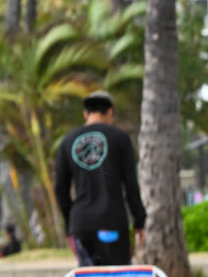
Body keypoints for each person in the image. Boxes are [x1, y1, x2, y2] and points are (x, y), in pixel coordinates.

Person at [53, 91, 146, 265]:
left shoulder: (67, 141)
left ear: (85, 113)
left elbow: (60, 188)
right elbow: (131, 184)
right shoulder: (120, 138)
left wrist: (70, 225)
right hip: (111, 222)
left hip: (80, 225)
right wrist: (139, 220)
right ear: (110, 111)